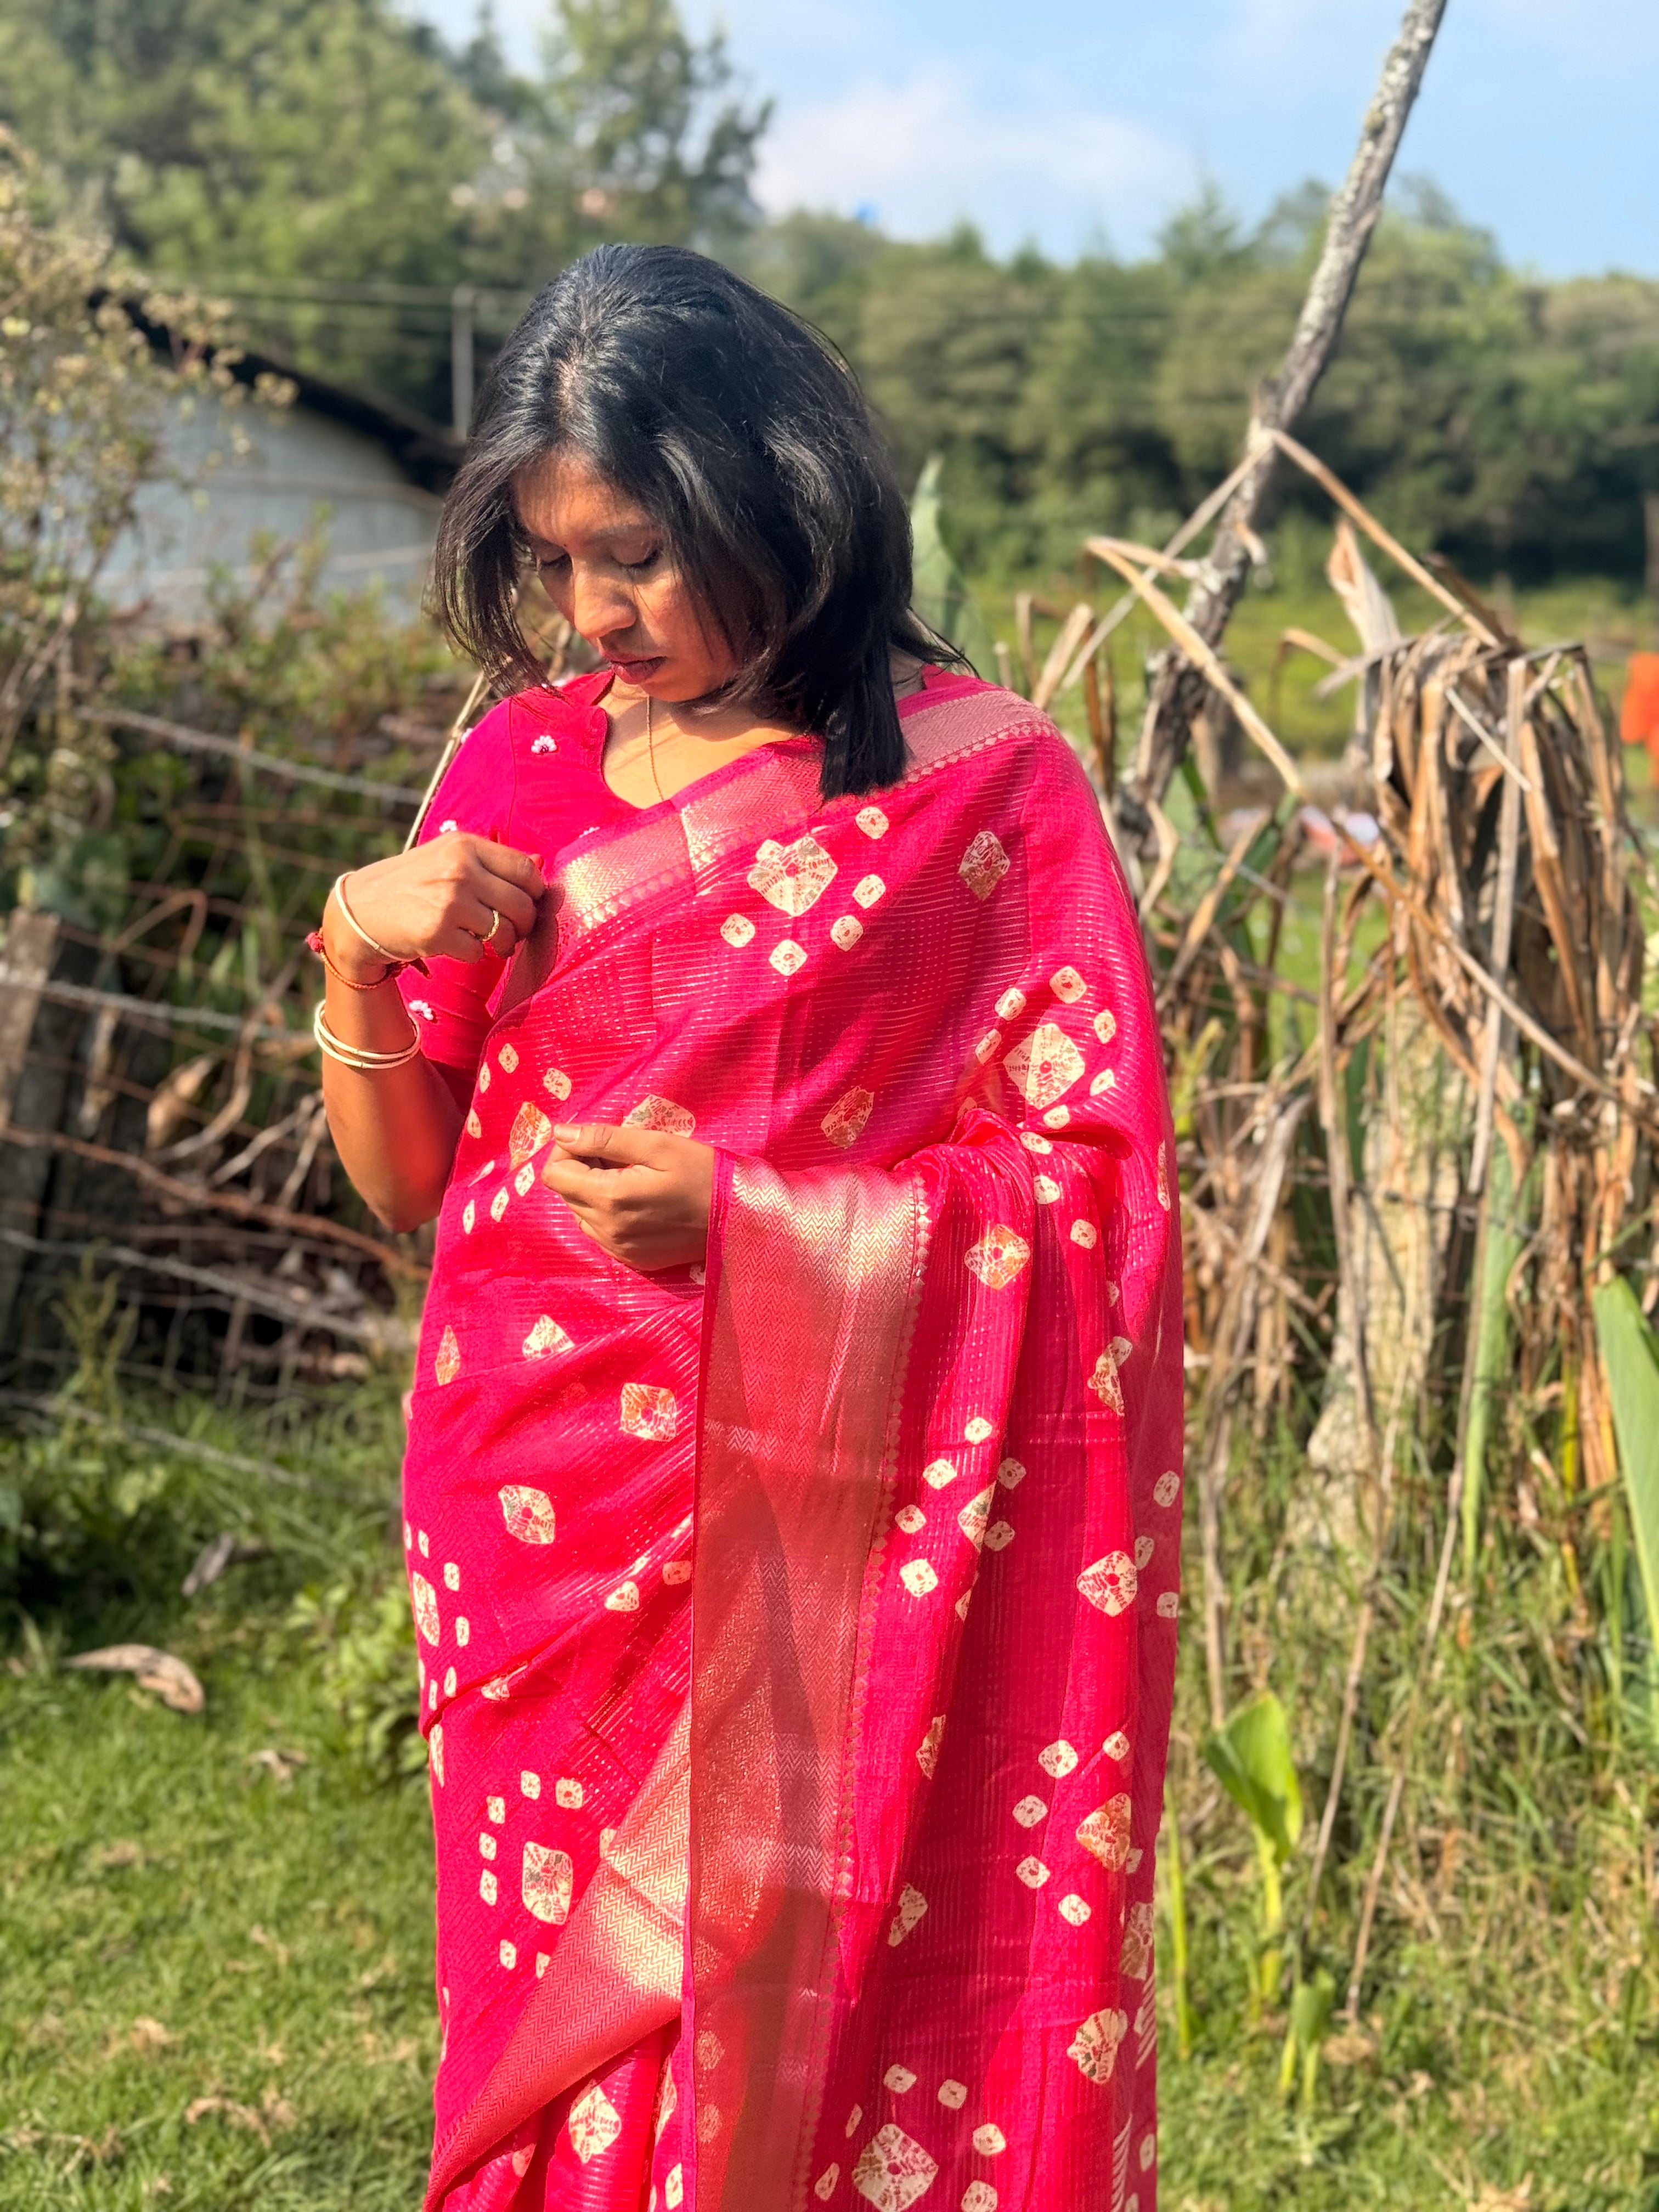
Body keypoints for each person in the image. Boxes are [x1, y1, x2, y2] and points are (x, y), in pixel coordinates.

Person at [311, 243, 1184, 2212]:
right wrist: (359, 954)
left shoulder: (983, 788)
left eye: (637, 555)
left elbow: (1093, 1196)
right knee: (563, 2012)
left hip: (836, 1514)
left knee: (836, 1992)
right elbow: (414, 1185)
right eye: (555, 561)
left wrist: (764, 1224)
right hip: (540, 1512)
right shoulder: (520, 765)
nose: (592, 613)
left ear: (775, 499)